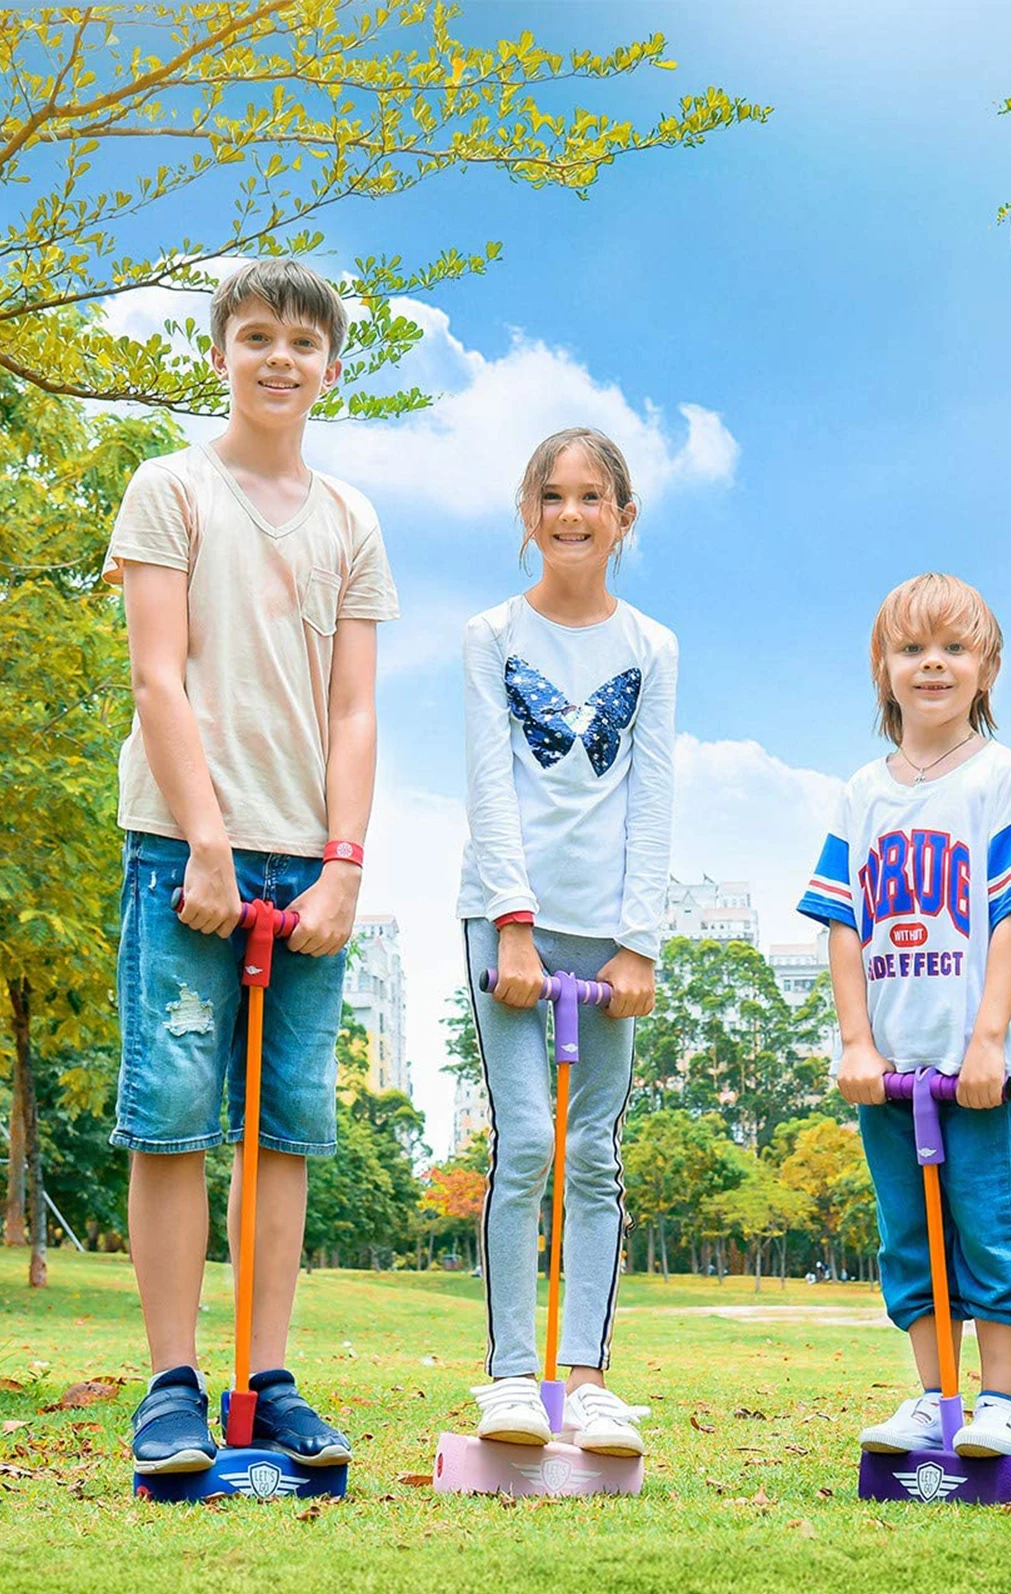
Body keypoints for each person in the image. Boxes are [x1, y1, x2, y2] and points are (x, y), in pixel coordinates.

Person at [107, 260, 398, 1473]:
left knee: (286, 1129)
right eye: (258, 337)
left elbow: (354, 712)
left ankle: (266, 1378)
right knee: (173, 1117)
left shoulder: (350, 519)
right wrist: (211, 844)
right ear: (221, 353)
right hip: (188, 850)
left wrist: (342, 868)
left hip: (306, 862)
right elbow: (156, 676)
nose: (281, 358)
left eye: (304, 343)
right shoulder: (169, 489)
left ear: (332, 366)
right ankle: (174, 1385)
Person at [798, 574, 1011, 1458]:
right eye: (911, 649)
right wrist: (856, 1040)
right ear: (884, 669)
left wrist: (987, 1042)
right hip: (891, 1065)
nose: (932, 664)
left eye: (954, 648)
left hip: (972, 1060)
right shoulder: (863, 790)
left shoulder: (1002, 776)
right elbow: (841, 923)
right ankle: (931, 1397)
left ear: (987, 669)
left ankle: (1000, 1407)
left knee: (986, 1224)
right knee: (908, 1235)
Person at [460, 426, 676, 1457]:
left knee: (592, 1152)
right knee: (529, 1143)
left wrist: (639, 943)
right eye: (552, 494)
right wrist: (509, 925)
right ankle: (510, 1376)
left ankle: (586, 1379)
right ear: (528, 512)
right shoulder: (490, 635)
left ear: (622, 517)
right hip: (510, 924)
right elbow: (489, 785)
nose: (572, 513)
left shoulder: (651, 646)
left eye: (593, 496)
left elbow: (652, 797)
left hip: (608, 933)